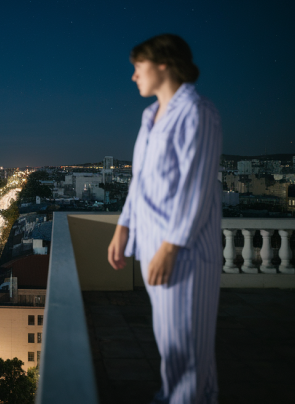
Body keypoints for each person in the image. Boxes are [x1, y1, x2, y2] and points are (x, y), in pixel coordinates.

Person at [107, 34, 223, 404]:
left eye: (137, 67)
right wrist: (124, 226)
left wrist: (171, 247)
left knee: (187, 349)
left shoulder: (197, 112)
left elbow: (197, 187)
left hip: (184, 253)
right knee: (174, 344)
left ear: (163, 65)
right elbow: (140, 181)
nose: (133, 77)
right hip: (155, 246)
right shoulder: (150, 115)